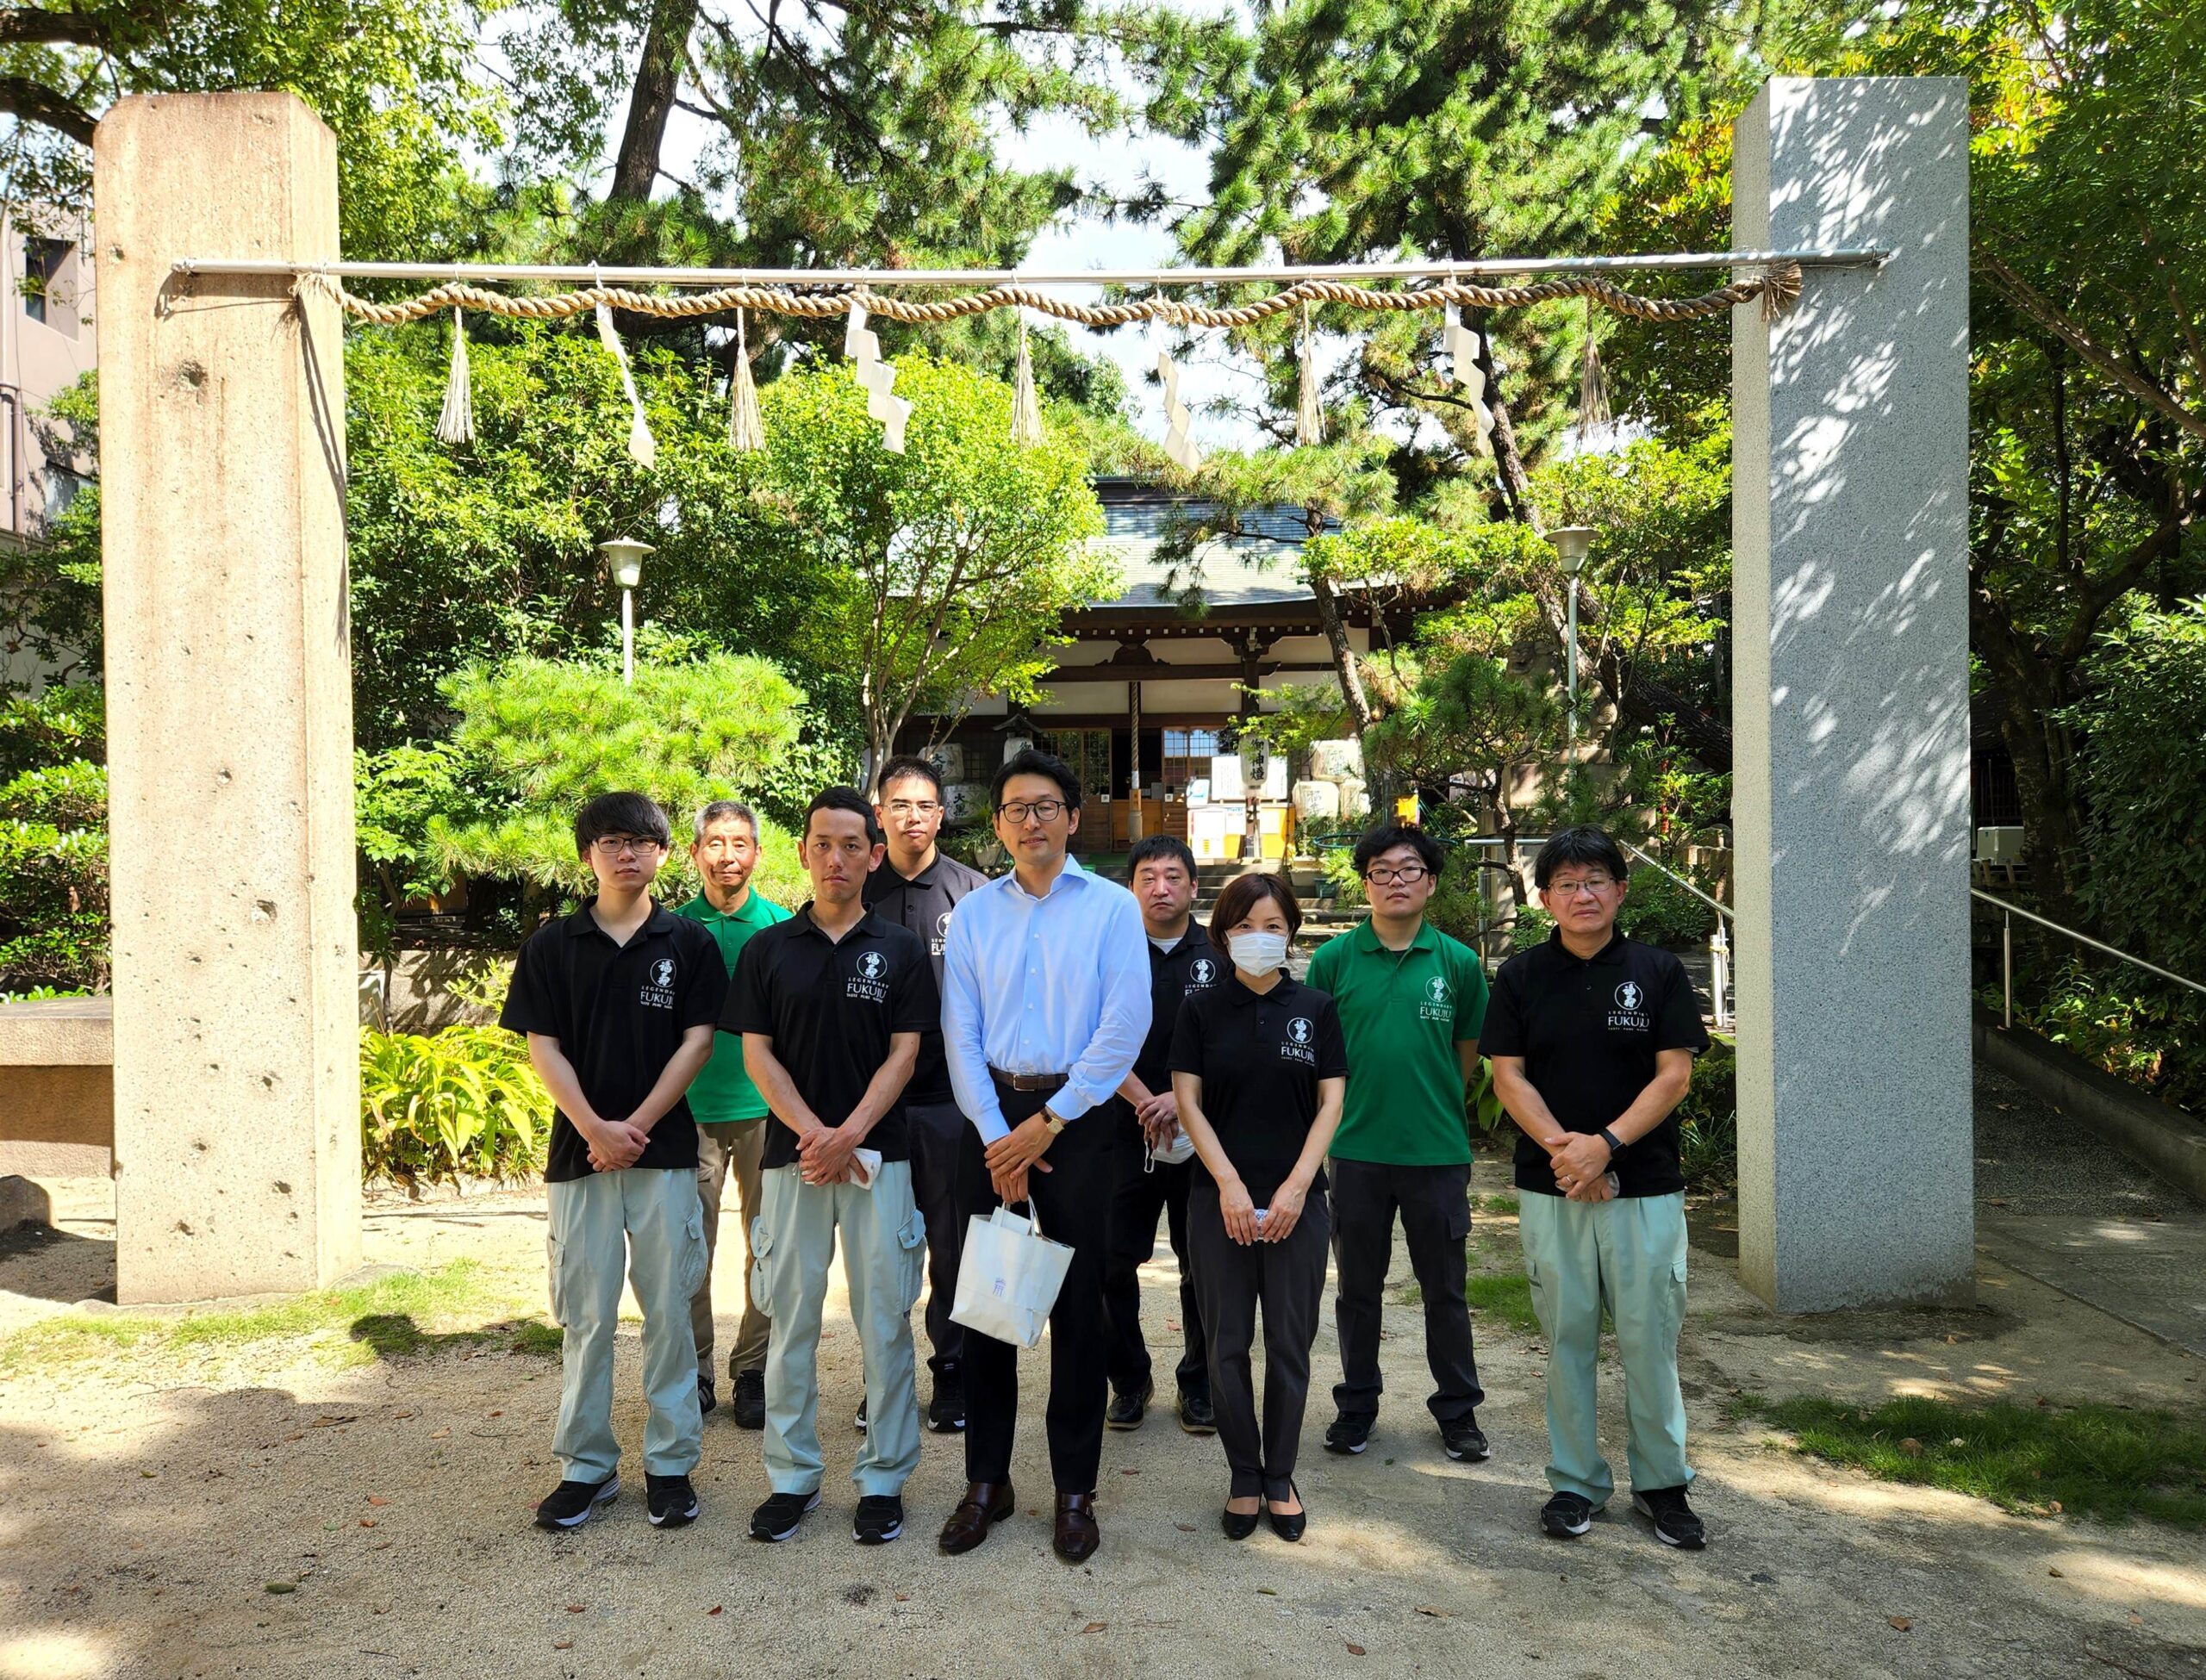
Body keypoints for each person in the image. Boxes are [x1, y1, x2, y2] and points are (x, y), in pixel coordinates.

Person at [936, 749, 1149, 1563]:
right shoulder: (975, 916)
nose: (1032, 820)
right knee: (989, 1305)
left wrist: (1047, 1124)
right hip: (989, 1117)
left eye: (1047, 806)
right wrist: (999, 1136)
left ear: (1071, 816)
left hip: (1082, 1120)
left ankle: (1074, 1491)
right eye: (1017, 808)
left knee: (1078, 1311)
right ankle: (986, 1482)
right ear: (997, 824)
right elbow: (961, 1031)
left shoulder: (1111, 909)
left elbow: (1124, 1024)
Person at [500, 793, 726, 1534]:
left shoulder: (688, 943)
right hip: (581, 1158)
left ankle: (670, 1466)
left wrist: (635, 1125)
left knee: (668, 1315)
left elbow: (697, 1043)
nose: (626, 854)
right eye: (609, 841)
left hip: (663, 1155)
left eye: (640, 841)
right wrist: (596, 1128)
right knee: (587, 1317)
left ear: (664, 853)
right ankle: (586, 1467)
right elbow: (544, 1047)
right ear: (586, 854)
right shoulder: (551, 946)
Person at [1484, 825, 1711, 1550]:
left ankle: (1662, 1486)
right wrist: (1567, 1153)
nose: (1583, 895)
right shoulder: (1521, 975)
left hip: (1642, 1186)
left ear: (1620, 889)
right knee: (1567, 1338)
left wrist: (1606, 1146)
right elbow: (1506, 1075)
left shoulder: (1657, 970)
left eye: (1596, 881)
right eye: (1567, 884)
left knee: (1650, 1339)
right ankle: (1574, 1483)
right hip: (1555, 1187)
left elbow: (1674, 1073)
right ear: (1545, 897)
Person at [725, 787, 937, 1546]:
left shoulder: (902, 951)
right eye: (824, 844)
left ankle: (883, 1478)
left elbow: (905, 1054)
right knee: (791, 1325)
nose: (838, 858)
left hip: (882, 1161)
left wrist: (849, 1134)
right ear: (805, 853)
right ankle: (792, 1477)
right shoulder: (768, 950)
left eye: (854, 845)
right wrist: (818, 1134)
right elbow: (757, 1055)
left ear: (873, 856)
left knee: (885, 1322)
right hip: (794, 1163)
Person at [1305, 824, 1492, 1463]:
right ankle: (1356, 1407)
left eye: (1409, 869)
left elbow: (1465, 1056)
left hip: (1437, 1153)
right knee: (1358, 1289)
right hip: (1355, 1150)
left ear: (1431, 882)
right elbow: (1320, 1059)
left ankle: (1459, 1412)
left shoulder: (1459, 964)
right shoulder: (1333, 961)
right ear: (1366, 884)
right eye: (1381, 871)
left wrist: (1430, 1104)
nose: (1395, 881)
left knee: (1447, 1291)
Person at [1171, 873, 1347, 1542]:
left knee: (1289, 1344)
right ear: (1222, 935)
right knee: (1226, 1345)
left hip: (1300, 1202)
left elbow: (1331, 1101)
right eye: (1243, 926)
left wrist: (1300, 1186)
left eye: (1272, 926)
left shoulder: (1317, 1008)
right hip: (1220, 1202)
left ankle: (1282, 1475)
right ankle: (1245, 1472)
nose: (1257, 938)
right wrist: (1230, 1185)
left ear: (1292, 933)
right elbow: (1188, 1100)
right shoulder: (1201, 1009)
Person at [863, 753, 991, 1436]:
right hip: (871, 1109)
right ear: (879, 812)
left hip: (949, 1100)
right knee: (878, 1249)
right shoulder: (856, 888)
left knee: (951, 1242)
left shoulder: (974, 895)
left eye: (924, 805)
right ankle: (881, 1378)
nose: (912, 816)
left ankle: (953, 1373)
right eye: (898, 805)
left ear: (941, 814)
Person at [675, 800, 792, 1430]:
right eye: (715, 843)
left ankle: (753, 1368)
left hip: (763, 1113)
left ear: (757, 853)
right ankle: (693, 1371)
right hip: (687, 1114)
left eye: (740, 843)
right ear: (695, 853)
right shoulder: (668, 931)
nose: (727, 855)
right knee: (690, 1249)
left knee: (768, 1248)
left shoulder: (778, 929)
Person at [1102, 833, 1217, 1434]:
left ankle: (1198, 1384)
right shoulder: (1112, 952)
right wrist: (1145, 1098)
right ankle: (1129, 1378)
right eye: (1148, 877)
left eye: (1173, 877)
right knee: (1112, 1265)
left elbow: (1233, 1041)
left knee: (1202, 1264)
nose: (1161, 888)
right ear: (1131, 888)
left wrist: (1183, 1097)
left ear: (1194, 887)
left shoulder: (1219, 954)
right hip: (1123, 1130)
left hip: (1203, 1137)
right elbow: (1089, 1036)